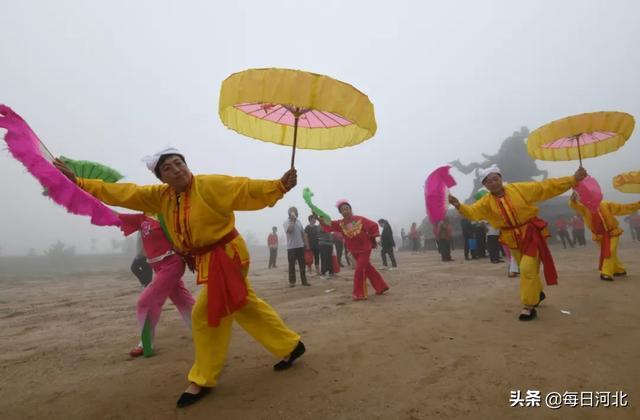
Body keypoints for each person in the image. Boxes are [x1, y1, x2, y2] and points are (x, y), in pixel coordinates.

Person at [54, 148, 305, 408]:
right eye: (168, 168)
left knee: (206, 315)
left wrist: (279, 185)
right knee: (243, 304)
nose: (176, 169)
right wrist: (80, 183)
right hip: (206, 258)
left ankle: (203, 378)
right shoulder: (160, 196)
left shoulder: (209, 185)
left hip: (227, 254)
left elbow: (244, 189)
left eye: (179, 163)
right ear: (161, 178)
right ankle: (290, 344)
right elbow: (124, 192)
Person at [449, 164, 588, 321]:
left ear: (501, 178)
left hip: (530, 233)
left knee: (527, 268)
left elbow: (544, 187)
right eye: (489, 181)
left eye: (496, 179)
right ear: (485, 185)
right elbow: (473, 213)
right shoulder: (486, 202)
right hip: (511, 238)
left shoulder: (518, 189)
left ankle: (528, 306)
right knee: (528, 269)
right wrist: (458, 205)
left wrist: (573, 179)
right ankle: (537, 293)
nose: (493, 183)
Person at [119, 213, 195, 358]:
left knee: (145, 302)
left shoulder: (167, 214)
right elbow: (116, 217)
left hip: (172, 264)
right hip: (156, 265)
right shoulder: (141, 218)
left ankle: (146, 344)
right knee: (182, 300)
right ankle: (205, 330)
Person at [318, 201, 389, 300]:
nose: (345, 211)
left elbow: (373, 225)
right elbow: (329, 224)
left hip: (365, 248)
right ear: (341, 213)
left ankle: (359, 293)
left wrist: (372, 238)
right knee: (368, 268)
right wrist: (320, 218)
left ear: (350, 209)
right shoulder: (340, 224)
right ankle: (381, 287)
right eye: (342, 210)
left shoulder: (360, 219)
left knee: (359, 270)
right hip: (354, 250)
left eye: (347, 208)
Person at [569, 193, 640, 281]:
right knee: (610, 252)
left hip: (612, 233)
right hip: (599, 235)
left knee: (609, 251)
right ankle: (619, 270)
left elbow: (623, 208)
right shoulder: (584, 208)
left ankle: (606, 273)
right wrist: (573, 200)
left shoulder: (607, 204)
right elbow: (575, 206)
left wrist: (638, 204)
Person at [284, 207, 310, 287]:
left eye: (295, 212)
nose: (294, 213)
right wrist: (293, 220)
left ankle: (304, 281)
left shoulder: (299, 222)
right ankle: (292, 282)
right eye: (292, 212)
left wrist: (306, 244)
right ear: (289, 214)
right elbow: (290, 230)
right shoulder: (286, 222)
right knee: (292, 265)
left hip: (300, 246)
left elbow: (303, 234)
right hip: (291, 247)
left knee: (302, 264)